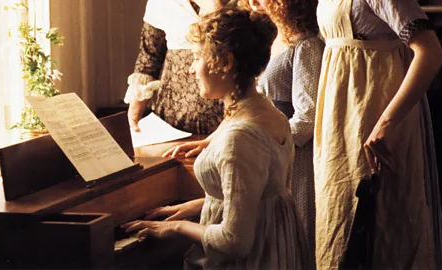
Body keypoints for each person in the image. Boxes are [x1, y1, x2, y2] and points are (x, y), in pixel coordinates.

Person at [122, 7, 309, 269]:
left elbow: (235, 240)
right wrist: (196, 206)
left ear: (225, 62)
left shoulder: (240, 136)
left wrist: (177, 227)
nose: (190, 69)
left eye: (197, 57)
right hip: (277, 249)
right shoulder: (267, 111)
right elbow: (259, 195)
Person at [314, 0, 442, 269]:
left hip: (374, 119)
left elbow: (430, 52)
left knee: (384, 228)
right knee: (339, 222)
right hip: (339, 125)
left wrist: (385, 124)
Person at [240, 0, 323, 267]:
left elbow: (308, 118)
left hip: (292, 157)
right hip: (264, 152)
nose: (254, 1)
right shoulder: (268, 39)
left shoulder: (306, 45)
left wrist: (268, 145)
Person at [124, 0, 235, 135]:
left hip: (229, 121)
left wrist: (215, 7)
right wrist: (136, 113)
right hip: (171, 122)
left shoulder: (251, 3)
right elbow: (150, 56)